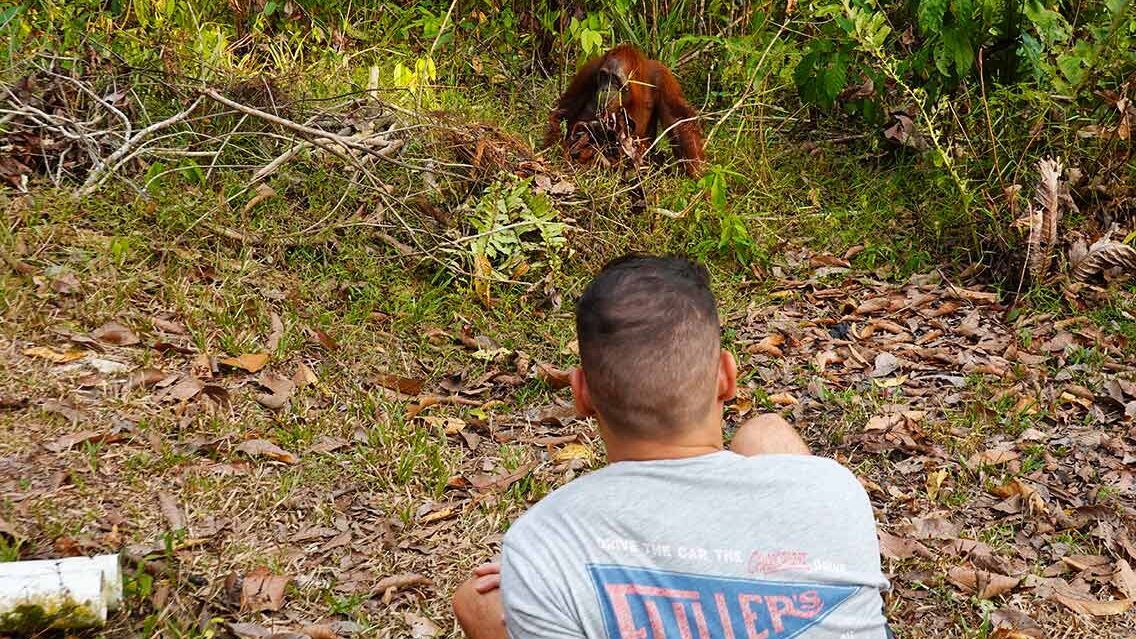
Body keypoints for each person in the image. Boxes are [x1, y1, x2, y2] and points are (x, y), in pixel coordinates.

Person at [453, 255, 891, 639]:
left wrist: (542, 578)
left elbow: (543, 569)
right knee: (768, 433)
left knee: (480, 600)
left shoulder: (542, 540)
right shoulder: (834, 489)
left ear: (581, 394)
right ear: (727, 376)